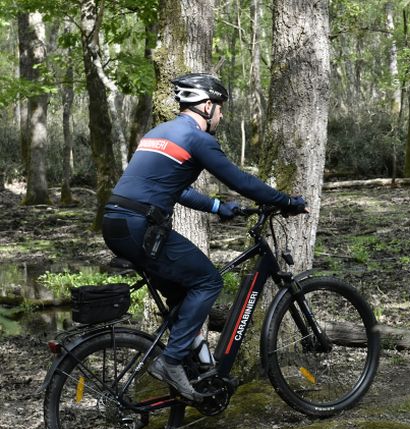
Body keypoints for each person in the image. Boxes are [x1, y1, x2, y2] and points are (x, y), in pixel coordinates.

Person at [102, 73, 306, 401]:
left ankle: (194, 366)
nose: (222, 116)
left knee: (182, 294)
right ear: (207, 105)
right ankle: (171, 361)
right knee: (208, 281)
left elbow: (173, 187)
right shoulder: (198, 139)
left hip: (116, 223)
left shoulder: (159, 133)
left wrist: (216, 206)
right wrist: (286, 201)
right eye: (220, 108)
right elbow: (240, 179)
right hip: (141, 226)